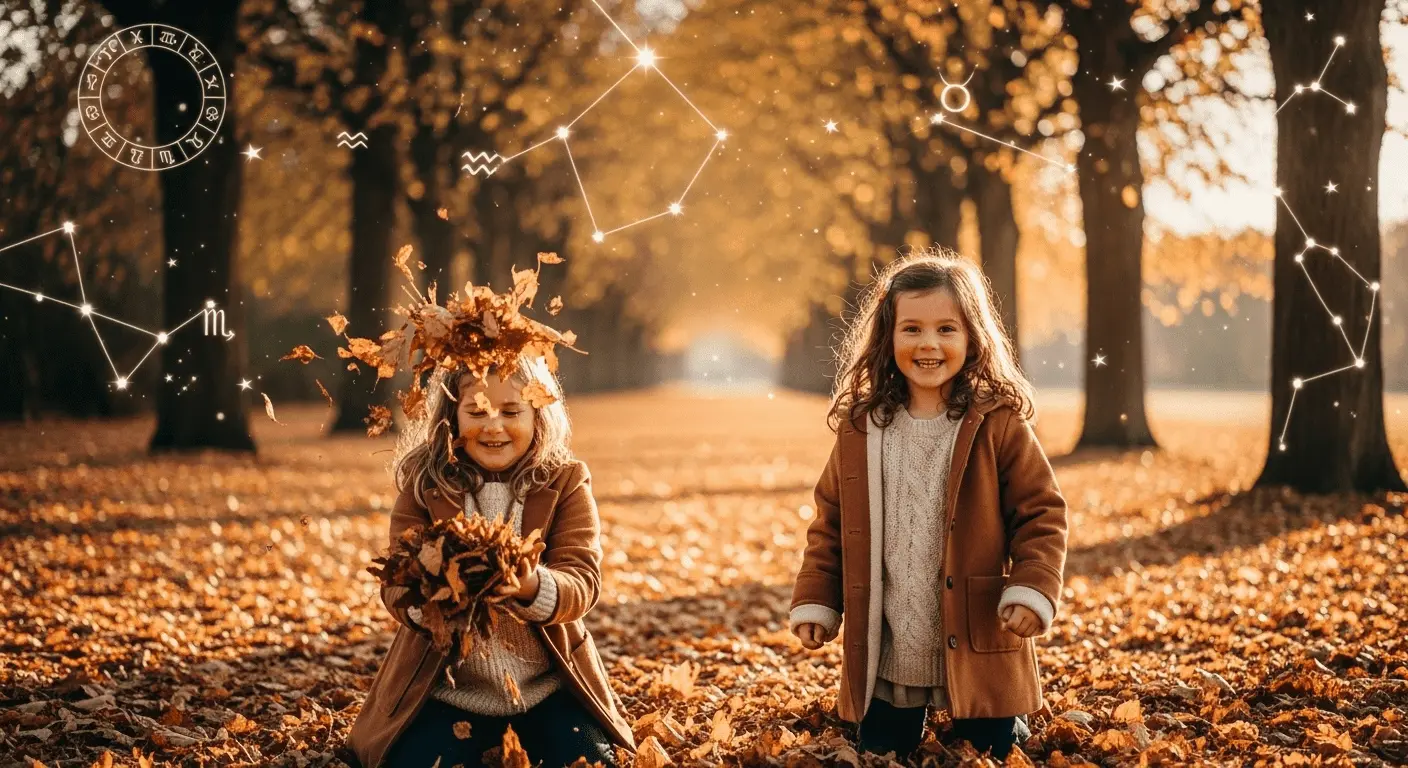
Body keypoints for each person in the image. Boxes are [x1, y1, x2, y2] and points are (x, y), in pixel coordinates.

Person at [789, 249, 1068, 760]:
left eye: (946, 329)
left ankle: (1007, 722)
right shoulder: (861, 428)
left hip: (980, 636)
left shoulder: (997, 422)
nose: (928, 344)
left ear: (972, 338)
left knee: (990, 751)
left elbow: (1041, 513)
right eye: (911, 329)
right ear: (888, 337)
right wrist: (818, 600)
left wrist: (1032, 589)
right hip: (891, 650)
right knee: (881, 753)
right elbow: (829, 523)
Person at [347, 357, 635, 767]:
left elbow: (583, 578)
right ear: (451, 416)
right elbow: (396, 580)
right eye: (476, 411)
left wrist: (531, 585)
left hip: (548, 691)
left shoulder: (564, 481)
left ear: (539, 414)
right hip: (447, 691)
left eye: (512, 411)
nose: (494, 425)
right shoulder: (425, 482)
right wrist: (432, 599)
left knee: (589, 762)